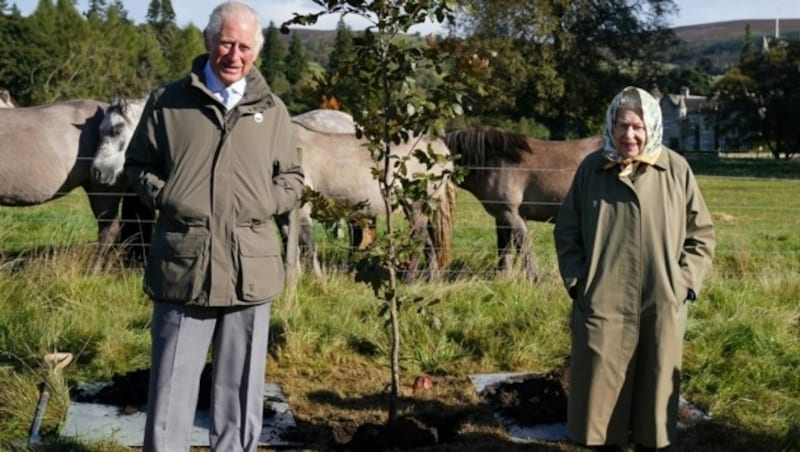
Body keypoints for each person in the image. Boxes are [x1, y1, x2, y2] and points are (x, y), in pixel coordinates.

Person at [124, 2, 304, 450]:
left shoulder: (273, 110)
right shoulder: (168, 103)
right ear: (208, 42)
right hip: (184, 266)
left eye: (244, 46)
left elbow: (293, 178)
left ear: (256, 51)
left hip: (251, 270)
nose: (234, 54)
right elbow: (138, 164)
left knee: (240, 394)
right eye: (226, 42)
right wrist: (166, 196)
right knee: (169, 395)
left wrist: (266, 202)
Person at [553, 86, 715, 452]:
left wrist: (684, 284)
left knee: (654, 389)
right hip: (603, 299)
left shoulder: (675, 169)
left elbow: (701, 234)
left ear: (652, 126)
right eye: (623, 126)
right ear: (611, 126)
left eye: (638, 127)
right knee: (600, 390)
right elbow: (567, 232)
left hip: (661, 299)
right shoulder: (591, 169)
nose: (630, 135)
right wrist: (580, 284)